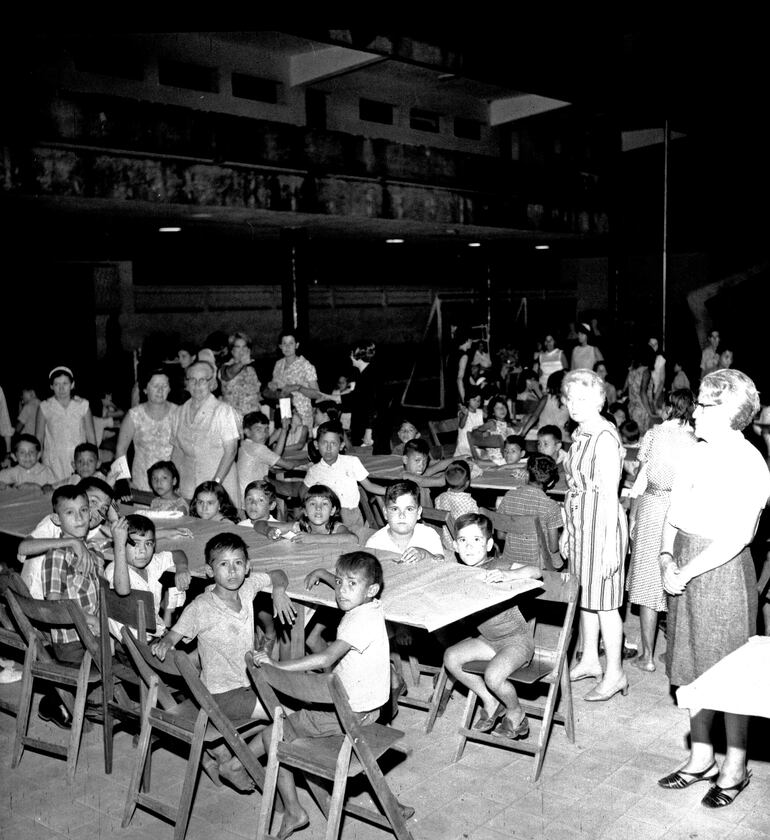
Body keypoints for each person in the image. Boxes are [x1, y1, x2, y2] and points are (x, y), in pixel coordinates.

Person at [657, 369, 770, 808]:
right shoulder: (696, 453)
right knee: (689, 663)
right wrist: (667, 557)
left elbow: (738, 536)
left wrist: (685, 571)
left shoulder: (749, 462)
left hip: (721, 570)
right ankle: (700, 756)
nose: (695, 411)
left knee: (728, 672)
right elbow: (673, 510)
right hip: (683, 558)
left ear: (728, 412)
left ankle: (735, 768)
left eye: (704, 405)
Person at [250, 552, 397, 835]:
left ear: (371, 590)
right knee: (297, 716)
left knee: (274, 735)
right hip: (368, 706)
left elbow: (325, 659)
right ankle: (391, 805)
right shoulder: (372, 606)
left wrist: (277, 665)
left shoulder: (358, 621)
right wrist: (324, 574)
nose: (341, 590)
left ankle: (293, 811)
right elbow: (350, 586)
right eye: (339, 582)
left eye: (350, 584)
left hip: (350, 713)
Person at [151, 532, 295, 791]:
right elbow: (173, 635)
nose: (232, 571)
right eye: (223, 564)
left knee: (291, 705)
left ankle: (237, 759)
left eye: (238, 563)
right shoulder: (201, 606)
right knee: (290, 719)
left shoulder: (248, 589)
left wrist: (279, 591)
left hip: (248, 685)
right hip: (221, 695)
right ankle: (238, 764)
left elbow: (278, 573)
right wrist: (165, 643)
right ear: (209, 570)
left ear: (248, 567)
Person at [443, 513, 543, 739]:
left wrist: (508, 575)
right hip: (488, 640)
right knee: (451, 657)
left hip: (516, 641)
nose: (469, 547)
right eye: (463, 540)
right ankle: (490, 701)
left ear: (489, 544)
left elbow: (535, 571)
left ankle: (516, 712)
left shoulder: (496, 564)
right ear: (456, 546)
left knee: (493, 676)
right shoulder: (461, 572)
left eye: (476, 540)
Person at [560, 369, 629, 701]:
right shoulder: (580, 434)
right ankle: (589, 659)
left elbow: (608, 497)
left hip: (602, 529)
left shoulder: (603, 437)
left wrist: (609, 549)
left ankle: (615, 673)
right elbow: (573, 488)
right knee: (585, 597)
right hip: (580, 526)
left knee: (606, 605)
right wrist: (567, 529)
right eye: (570, 398)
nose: (575, 405)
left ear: (601, 400)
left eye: (583, 398)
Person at [626, 389, 698, 672]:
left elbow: (641, 477)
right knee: (677, 575)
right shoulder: (696, 440)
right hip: (683, 509)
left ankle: (647, 657)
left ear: (668, 408)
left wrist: (632, 515)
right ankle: (676, 653)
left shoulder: (654, 434)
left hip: (654, 505)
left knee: (646, 578)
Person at [38, 484, 104, 728]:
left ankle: (74, 699)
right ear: (56, 519)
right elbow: (54, 604)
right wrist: (86, 619)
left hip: (90, 634)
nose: (79, 518)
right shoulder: (57, 555)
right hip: (71, 639)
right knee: (121, 659)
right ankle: (55, 699)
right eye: (70, 512)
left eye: (84, 510)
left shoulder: (91, 549)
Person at [106, 513, 191, 634]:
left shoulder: (151, 564)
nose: (143, 550)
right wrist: (119, 544)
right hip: (134, 640)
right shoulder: (113, 569)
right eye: (135, 543)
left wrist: (182, 568)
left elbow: (177, 553)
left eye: (148, 543)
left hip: (152, 633)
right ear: (121, 545)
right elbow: (123, 590)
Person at [172, 360, 240, 503]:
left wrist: (215, 484)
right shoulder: (179, 412)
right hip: (188, 487)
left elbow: (231, 451)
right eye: (192, 380)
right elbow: (177, 451)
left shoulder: (223, 411)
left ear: (212, 383)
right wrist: (173, 481)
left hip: (220, 488)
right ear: (186, 383)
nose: (197, 385)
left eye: (202, 380)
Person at [300, 421, 385, 533]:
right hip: (328, 518)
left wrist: (391, 491)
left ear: (341, 446)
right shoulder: (314, 470)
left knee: (353, 543)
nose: (329, 448)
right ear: (316, 445)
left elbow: (369, 486)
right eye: (324, 443)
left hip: (352, 515)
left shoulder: (352, 462)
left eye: (333, 444)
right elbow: (302, 493)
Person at [113, 370, 179, 493]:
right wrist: (123, 480)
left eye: (164, 386)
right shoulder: (134, 415)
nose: (160, 390)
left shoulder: (178, 413)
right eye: (155, 386)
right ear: (145, 389)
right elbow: (120, 450)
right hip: (141, 483)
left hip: (171, 485)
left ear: (169, 388)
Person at [496, 454, 563, 569]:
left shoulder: (508, 496)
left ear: (527, 475)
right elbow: (553, 547)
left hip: (510, 561)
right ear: (551, 483)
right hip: (539, 565)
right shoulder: (551, 506)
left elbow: (500, 535)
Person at [36, 366, 97, 482]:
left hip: (79, 459)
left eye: (65, 383)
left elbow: (91, 438)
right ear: (51, 386)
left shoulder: (83, 405)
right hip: (54, 460)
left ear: (72, 385)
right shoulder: (45, 407)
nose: (61, 388)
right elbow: (39, 438)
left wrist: (93, 460)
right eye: (57, 384)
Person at [365, 480, 444, 563]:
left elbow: (441, 561)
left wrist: (425, 554)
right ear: (385, 513)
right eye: (395, 509)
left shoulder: (429, 534)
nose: (402, 515)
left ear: (418, 513)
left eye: (409, 509)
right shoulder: (374, 544)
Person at [264, 330, 319, 431]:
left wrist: (297, 387)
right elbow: (276, 387)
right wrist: (273, 385)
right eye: (284, 343)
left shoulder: (306, 366)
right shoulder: (278, 364)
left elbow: (317, 393)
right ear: (280, 346)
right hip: (282, 413)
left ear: (297, 345)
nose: (287, 347)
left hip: (302, 416)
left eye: (291, 343)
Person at [237, 411, 293, 505]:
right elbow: (288, 466)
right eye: (258, 430)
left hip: (244, 497)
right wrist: (306, 460)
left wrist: (284, 429)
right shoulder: (257, 448)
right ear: (247, 431)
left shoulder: (245, 444)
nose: (264, 434)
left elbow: (273, 455)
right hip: (251, 499)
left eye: (266, 429)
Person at [434, 460, 479, 549]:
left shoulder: (439, 498)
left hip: (446, 543)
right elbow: (477, 527)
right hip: (465, 545)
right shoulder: (470, 503)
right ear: (467, 483)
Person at [218, 332, 262, 420]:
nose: (241, 350)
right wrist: (241, 363)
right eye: (237, 347)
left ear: (249, 350)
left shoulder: (252, 370)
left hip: (251, 421)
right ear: (232, 351)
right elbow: (228, 374)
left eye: (244, 347)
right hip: (232, 420)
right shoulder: (225, 368)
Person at [518, 370, 570, 441]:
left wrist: (522, 434)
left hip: (544, 435)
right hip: (560, 437)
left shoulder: (546, 398)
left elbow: (534, 416)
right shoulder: (569, 401)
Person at [622, 346, 655, 436]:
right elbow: (643, 392)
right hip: (642, 409)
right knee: (643, 437)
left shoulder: (632, 369)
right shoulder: (646, 371)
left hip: (632, 407)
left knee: (634, 435)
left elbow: (624, 388)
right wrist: (650, 413)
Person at [477, 395, 516, 464]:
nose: (502, 410)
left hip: (507, 457)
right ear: (493, 412)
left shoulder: (508, 425)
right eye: (498, 408)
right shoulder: (492, 423)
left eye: (504, 407)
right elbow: (478, 431)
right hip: (496, 459)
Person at [454, 388, 485, 457]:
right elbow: (461, 425)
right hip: (464, 446)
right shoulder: (462, 412)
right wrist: (466, 415)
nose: (476, 403)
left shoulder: (480, 412)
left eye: (478, 401)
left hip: (477, 446)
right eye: (474, 400)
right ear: (468, 400)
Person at [648, 337, 667, 411]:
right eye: (651, 344)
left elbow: (662, 381)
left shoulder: (660, 359)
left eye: (655, 344)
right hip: (646, 394)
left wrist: (655, 399)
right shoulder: (643, 359)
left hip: (657, 393)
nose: (653, 347)